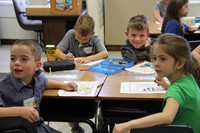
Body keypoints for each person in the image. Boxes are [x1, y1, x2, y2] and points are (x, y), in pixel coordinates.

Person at [113, 33, 200, 133]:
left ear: (179, 64)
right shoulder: (189, 78)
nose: (156, 64)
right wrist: (169, 86)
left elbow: (167, 116)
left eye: (162, 59)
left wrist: (128, 124)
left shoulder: (175, 89)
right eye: (154, 58)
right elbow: (183, 94)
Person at [0, 40, 78, 133]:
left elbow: (45, 82)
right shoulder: (4, 86)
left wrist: (62, 85)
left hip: (37, 126)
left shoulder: (38, 77)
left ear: (37, 66)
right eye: (13, 58)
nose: (16, 63)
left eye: (24, 59)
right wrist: (20, 111)